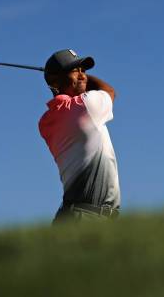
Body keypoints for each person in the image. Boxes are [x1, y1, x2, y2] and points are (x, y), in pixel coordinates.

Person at [38, 49, 120, 223]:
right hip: (86, 217)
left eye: (84, 71)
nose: (83, 76)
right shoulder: (86, 106)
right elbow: (110, 91)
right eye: (75, 70)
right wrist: (87, 80)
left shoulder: (46, 121)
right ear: (55, 80)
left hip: (79, 214)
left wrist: (70, 80)